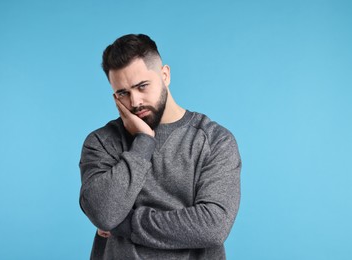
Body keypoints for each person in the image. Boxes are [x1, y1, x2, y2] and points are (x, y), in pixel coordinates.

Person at [79, 34, 241, 260]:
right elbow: (104, 213)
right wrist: (144, 142)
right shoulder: (101, 142)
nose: (135, 102)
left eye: (142, 86)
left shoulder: (215, 140)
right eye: (123, 93)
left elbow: (213, 226)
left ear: (165, 75)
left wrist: (124, 225)